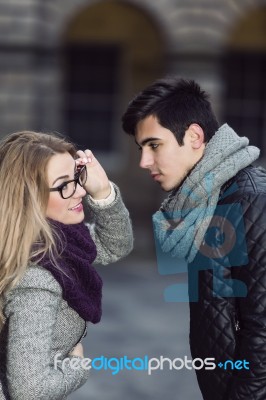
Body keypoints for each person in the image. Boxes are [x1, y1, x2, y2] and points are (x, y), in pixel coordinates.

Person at [122, 77, 266, 400]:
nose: (144, 162)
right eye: (140, 149)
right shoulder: (205, 200)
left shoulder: (251, 200)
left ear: (194, 136)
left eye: (154, 145)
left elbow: (262, 331)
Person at [0, 130, 133, 399]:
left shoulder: (59, 243)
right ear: (29, 197)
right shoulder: (37, 278)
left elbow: (114, 244)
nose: (81, 191)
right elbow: (30, 391)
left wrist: (103, 191)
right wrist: (77, 367)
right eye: (64, 185)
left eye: (77, 177)